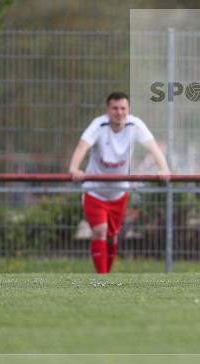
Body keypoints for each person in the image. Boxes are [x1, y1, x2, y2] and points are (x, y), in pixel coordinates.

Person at [69, 92, 171, 274]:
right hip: (95, 191)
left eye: (123, 108)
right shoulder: (99, 125)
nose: (119, 112)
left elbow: (152, 146)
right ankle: (102, 278)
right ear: (108, 110)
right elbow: (82, 146)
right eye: (115, 108)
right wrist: (74, 169)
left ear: (128, 109)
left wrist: (164, 168)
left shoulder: (135, 125)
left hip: (118, 192)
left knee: (112, 236)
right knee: (100, 230)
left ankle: (106, 276)